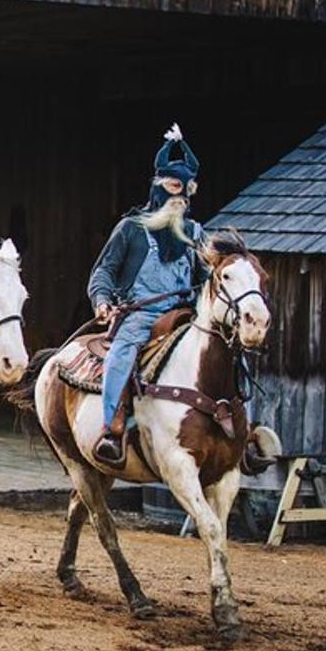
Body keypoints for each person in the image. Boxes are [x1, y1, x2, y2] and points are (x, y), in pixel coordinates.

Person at [87, 123, 209, 469]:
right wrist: (102, 300)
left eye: (187, 191)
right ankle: (111, 427)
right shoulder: (131, 228)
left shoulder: (197, 234)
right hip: (141, 314)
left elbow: (206, 279)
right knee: (122, 354)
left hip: (186, 314)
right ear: (158, 187)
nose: (180, 197)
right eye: (173, 187)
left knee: (226, 352)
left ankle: (237, 432)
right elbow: (104, 271)